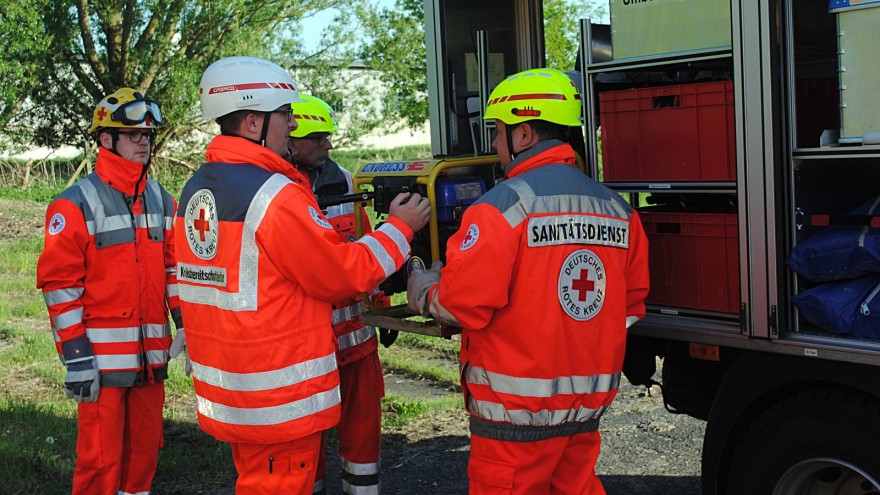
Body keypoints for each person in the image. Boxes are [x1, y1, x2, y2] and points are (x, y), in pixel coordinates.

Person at [174, 56, 430, 495]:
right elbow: (343, 274)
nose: (292, 126)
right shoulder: (275, 194)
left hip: (236, 389)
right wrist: (401, 227)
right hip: (278, 398)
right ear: (253, 121)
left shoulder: (197, 188)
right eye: (285, 114)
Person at [407, 68, 650, 494]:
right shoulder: (619, 212)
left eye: (499, 133)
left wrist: (423, 288)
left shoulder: (500, 208)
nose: (496, 145)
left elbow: (460, 304)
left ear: (524, 135)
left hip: (514, 421)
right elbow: (626, 310)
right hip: (583, 415)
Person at [36, 87, 184, 495]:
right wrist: (77, 356)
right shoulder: (74, 205)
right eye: (133, 135)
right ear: (106, 140)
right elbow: (59, 287)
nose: (144, 143)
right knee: (100, 465)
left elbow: (173, 268)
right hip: (99, 365)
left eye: (148, 136)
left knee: (143, 462)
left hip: (152, 360)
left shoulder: (161, 199)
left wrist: (185, 323)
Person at [288, 93, 388, 495]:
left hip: (357, 342)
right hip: (307, 353)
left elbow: (365, 245)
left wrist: (380, 304)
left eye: (328, 136)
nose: (328, 145)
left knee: (363, 441)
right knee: (305, 448)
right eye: (318, 137)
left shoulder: (344, 181)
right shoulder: (278, 191)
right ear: (291, 141)